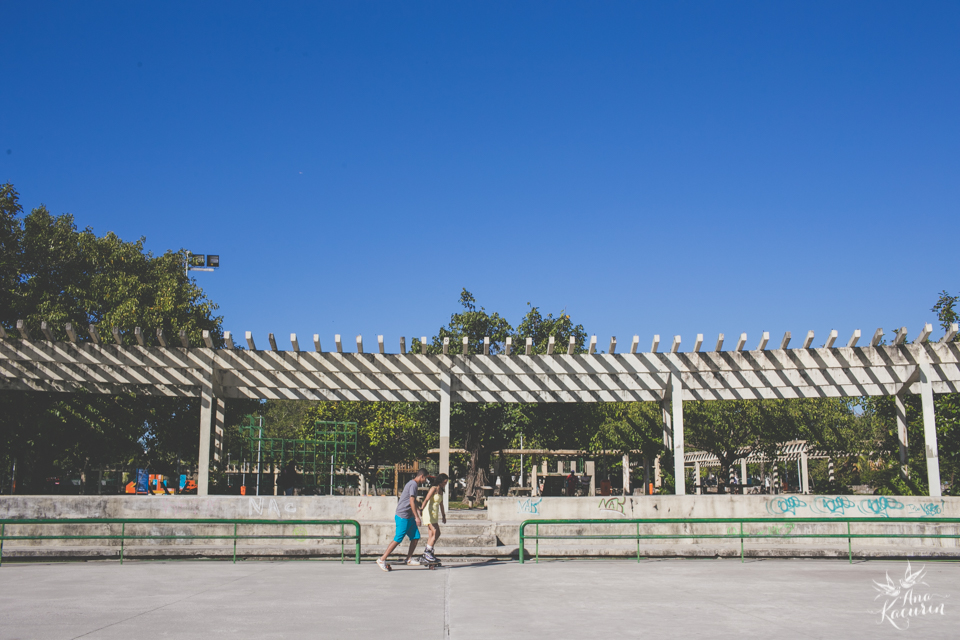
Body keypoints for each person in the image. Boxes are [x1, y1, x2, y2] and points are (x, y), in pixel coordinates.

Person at [377, 468, 429, 572]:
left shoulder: (412, 484)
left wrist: (418, 510)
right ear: (422, 476)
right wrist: (417, 517)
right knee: (398, 538)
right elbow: (411, 500)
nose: (425, 481)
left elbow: (413, 502)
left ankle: (408, 559)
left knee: (415, 537)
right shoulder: (413, 484)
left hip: (409, 516)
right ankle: (382, 559)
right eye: (425, 478)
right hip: (403, 516)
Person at [420, 473, 448, 564]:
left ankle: (429, 553)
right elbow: (426, 499)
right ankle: (427, 552)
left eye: (446, 483)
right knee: (437, 532)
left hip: (434, 513)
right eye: (444, 482)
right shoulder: (433, 489)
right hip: (428, 512)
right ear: (440, 481)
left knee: (432, 534)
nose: (445, 484)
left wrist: (443, 515)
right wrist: (421, 509)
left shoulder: (441, 490)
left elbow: (441, 504)